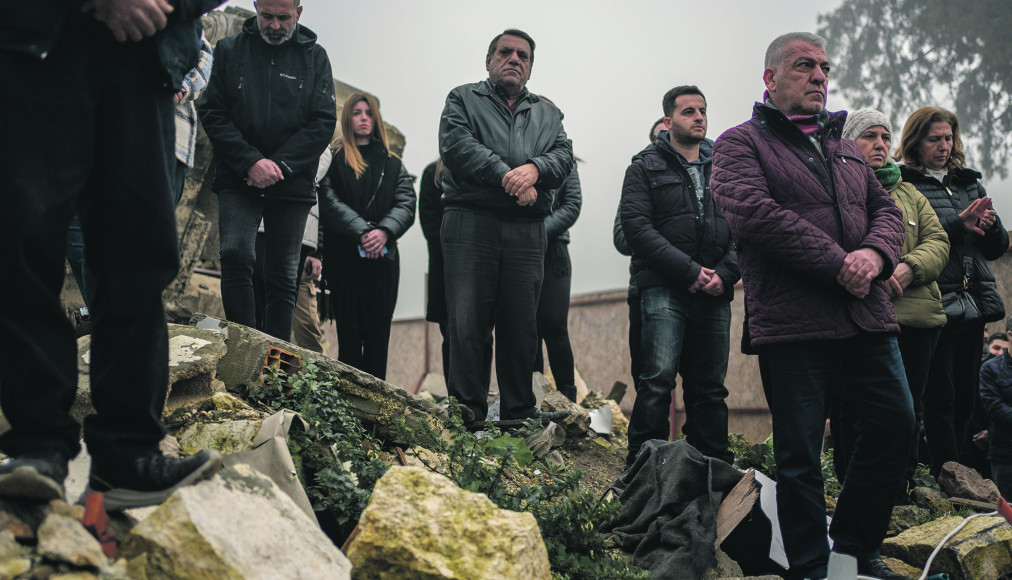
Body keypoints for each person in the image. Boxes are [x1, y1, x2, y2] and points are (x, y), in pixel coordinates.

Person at [0, 0, 225, 509]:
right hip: (38, 41)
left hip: (143, 56)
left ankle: (128, 454)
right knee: (23, 238)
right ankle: (36, 444)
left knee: (138, 255)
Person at [711, 32, 913, 580]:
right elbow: (753, 214)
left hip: (865, 317)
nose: (820, 76)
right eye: (805, 66)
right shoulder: (738, 144)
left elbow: (887, 211)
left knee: (897, 425)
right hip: (793, 323)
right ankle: (811, 568)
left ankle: (852, 548)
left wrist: (873, 254)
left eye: (824, 67)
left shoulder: (846, 147)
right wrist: (839, 264)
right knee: (800, 458)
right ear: (771, 77)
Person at [438, 29, 574, 424]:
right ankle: (467, 414)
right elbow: (459, 147)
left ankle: (518, 414)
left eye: (523, 56)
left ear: (530, 67)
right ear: (489, 60)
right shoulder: (462, 98)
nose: (514, 59)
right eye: (506, 52)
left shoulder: (548, 113)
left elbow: (563, 156)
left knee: (520, 327)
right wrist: (510, 179)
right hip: (470, 224)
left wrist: (535, 169)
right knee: (467, 323)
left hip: (526, 233)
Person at [199, 0, 337, 342]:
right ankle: (243, 345)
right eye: (267, 17)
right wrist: (250, 161)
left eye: (283, 18)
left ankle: (273, 362)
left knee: (282, 274)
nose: (274, 26)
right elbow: (213, 111)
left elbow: (323, 123)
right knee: (234, 256)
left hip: (291, 182)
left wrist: (278, 165)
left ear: (299, 14)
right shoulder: (229, 50)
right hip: (238, 176)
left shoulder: (316, 57)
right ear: (256, 7)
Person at [831, 109, 950, 501]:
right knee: (854, 408)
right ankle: (854, 485)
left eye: (885, 137)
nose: (880, 144)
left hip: (917, 318)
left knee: (910, 408)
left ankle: (901, 486)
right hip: (865, 318)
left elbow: (938, 241)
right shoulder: (838, 187)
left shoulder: (909, 192)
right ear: (849, 141)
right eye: (870, 136)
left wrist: (910, 268)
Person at [621, 86, 739, 468]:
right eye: (689, 111)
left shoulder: (726, 166)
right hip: (663, 289)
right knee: (656, 380)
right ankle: (644, 466)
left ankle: (713, 466)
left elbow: (746, 224)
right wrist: (688, 272)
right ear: (669, 122)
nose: (699, 117)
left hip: (716, 292)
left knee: (710, 389)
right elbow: (637, 228)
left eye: (703, 110)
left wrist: (725, 273)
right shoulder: (644, 166)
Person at [895, 107, 1009, 476]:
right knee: (937, 399)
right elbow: (915, 238)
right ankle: (943, 473)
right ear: (916, 141)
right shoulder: (905, 183)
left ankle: (959, 473)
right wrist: (959, 224)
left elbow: (995, 248)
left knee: (965, 399)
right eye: (934, 139)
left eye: (948, 138)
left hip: (973, 304)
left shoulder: (969, 184)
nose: (944, 146)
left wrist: (990, 227)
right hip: (934, 304)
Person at [318, 93, 415, 380]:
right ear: (347, 118)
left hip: (382, 264)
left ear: (376, 119)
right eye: (357, 112)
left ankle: (375, 414)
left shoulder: (393, 163)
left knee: (377, 338)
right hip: (345, 260)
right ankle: (347, 413)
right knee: (348, 338)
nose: (363, 118)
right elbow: (328, 200)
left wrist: (383, 231)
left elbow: (407, 202)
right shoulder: (334, 159)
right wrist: (363, 232)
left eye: (368, 113)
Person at [418, 160, 493, 387]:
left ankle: (480, 395)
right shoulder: (433, 172)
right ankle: (457, 401)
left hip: (480, 263)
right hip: (445, 266)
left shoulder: (482, 167)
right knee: (451, 333)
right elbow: (428, 221)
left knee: (483, 335)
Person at [613, 119, 669, 406]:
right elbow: (622, 239)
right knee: (649, 374)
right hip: (645, 289)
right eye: (660, 136)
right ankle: (649, 447)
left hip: (697, 287)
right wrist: (659, 238)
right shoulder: (638, 179)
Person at [534, 159, 582, 403]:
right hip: (518, 252)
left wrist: (538, 233)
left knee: (554, 325)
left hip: (554, 252)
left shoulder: (564, 160)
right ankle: (531, 400)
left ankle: (567, 400)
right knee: (526, 330)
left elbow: (572, 204)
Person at [981, 317, 1012, 499]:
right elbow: (994, 408)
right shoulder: (990, 369)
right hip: (1005, 454)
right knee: (1005, 519)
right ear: (1009, 335)